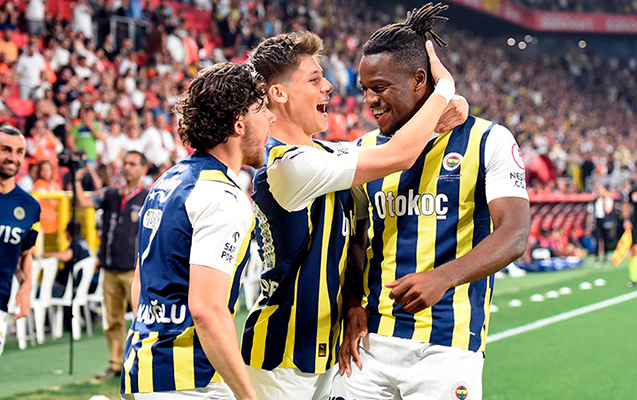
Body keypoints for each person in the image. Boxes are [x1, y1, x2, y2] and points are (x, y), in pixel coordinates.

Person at [241, 27, 465, 399]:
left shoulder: (324, 154)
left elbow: (390, 144)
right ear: (279, 93)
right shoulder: (287, 166)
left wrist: (455, 107)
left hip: (324, 355)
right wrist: (444, 90)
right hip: (281, 362)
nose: (328, 87)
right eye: (314, 79)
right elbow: (400, 154)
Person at [332, 4, 530, 399]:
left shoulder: (488, 140)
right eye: (364, 88)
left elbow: (514, 233)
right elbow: (354, 238)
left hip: (446, 346)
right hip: (369, 345)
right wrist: (352, 302)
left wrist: (444, 277)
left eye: (379, 87)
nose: (369, 99)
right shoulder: (364, 151)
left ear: (419, 80)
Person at [120, 62, 274, 400]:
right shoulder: (223, 197)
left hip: (148, 368)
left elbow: (140, 285)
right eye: (262, 109)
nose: (271, 118)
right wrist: (249, 396)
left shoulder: (168, 181)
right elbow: (207, 309)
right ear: (239, 122)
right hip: (192, 381)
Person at [75, 150, 149, 380]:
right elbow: (84, 202)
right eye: (125, 163)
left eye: (133, 164)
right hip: (110, 268)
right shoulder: (111, 194)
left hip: (135, 271)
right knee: (112, 319)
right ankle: (116, 363)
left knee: (142, 318)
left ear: (144, 169)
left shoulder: (149, 197)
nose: (127, 168)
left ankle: (143, 364)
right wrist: (77, 180)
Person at [0, 125, 41, 355]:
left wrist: (25, 288)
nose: (13, 158)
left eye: (19, 152)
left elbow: (25, 254)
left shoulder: (30, 207)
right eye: (6, 150)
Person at [622, 180, 637, 288]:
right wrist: (626, 219)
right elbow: (626, 205)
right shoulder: (634, 191)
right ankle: (634, 278)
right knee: (635, 250)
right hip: (636, 224)